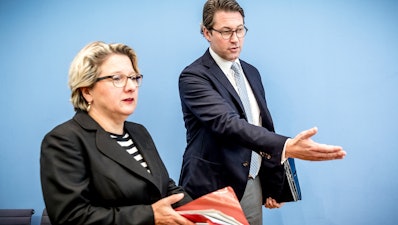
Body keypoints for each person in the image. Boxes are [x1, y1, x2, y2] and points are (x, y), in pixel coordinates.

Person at [178, 0, 347, 224]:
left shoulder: (251, 72)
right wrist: (287, 146)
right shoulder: (194, 77)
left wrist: (272, 184)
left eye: (240, 30)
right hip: (211, 186)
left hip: (251, 182)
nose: (235, 39)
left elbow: (261, 128)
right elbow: (228, 124)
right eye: (226, 31)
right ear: (206, 32)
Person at [40, 41, 195, 225]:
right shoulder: (64, 140)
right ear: (87, 91)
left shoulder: (139, 131)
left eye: (133, 77)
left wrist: (205, 214)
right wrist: (150, 216)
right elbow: (72, 218)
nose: (130, 87)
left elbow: (166, 187)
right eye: (117, 78)